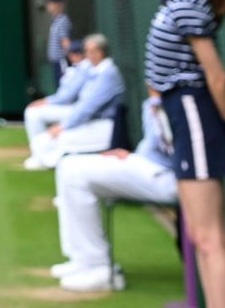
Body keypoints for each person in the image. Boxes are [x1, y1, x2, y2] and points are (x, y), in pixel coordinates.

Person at [134, 0, 225, 308]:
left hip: (195, 114)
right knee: (201, 236)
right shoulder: (176, 0)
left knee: (211, 237)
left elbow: (217, 78)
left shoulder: (186, 4)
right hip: (183, 117)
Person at [48, 98, 180, 293]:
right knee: (68, 165)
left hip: (170, 177)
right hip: (149, 164)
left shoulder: (179, 98)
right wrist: (131, 155)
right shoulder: (154, 100)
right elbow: (154, 147)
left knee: (75, 174)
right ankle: (83, 260)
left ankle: (98, 267)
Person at [25, 34, 124, 169]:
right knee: (40, 142)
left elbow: (88, 107)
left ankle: (58, 161)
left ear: (100, 53)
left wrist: (63, 126)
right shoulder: (92, 69)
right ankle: (48, 159)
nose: (87, 55)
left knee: (46, 144)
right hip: (89, 122)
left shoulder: (108, 73)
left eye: (91, 52)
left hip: (103, 126)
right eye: (86, 52)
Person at [23, 40, 91, 146]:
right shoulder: (77, 68)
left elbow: (67, 97)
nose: (70, 57)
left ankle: (40, 150)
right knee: (32, 111)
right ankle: (41, 149)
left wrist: (45, 101)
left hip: (78, 109)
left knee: (32, 113)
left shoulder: (85, 68)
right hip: (74, 107)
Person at [42, 0, 72, 85]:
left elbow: (66, 42)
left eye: (54, 3)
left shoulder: (62, 20)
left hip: (62, 62)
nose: (50, 5)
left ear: (60, 4)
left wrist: (70, 61)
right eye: (49, 2)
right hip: (56, 62)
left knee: (63, 87)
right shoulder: (55, 20)